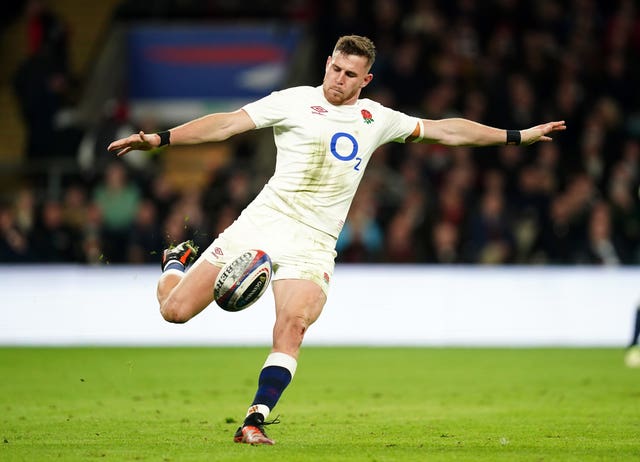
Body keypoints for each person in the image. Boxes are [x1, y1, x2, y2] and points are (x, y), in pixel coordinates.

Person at [107, 35, 566, 445]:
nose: (339, 80)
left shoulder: (375, 118)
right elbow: (225, 124)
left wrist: (518, 136)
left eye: (350, 75)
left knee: (294, 325)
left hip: (313, 243)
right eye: (334, 69)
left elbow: (447, 129)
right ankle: (175, 262)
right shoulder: (292, 101)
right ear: (326, 62)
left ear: (366, 79)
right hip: (262, 223)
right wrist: (161, 140)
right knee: (175, 312)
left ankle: (254, 419)